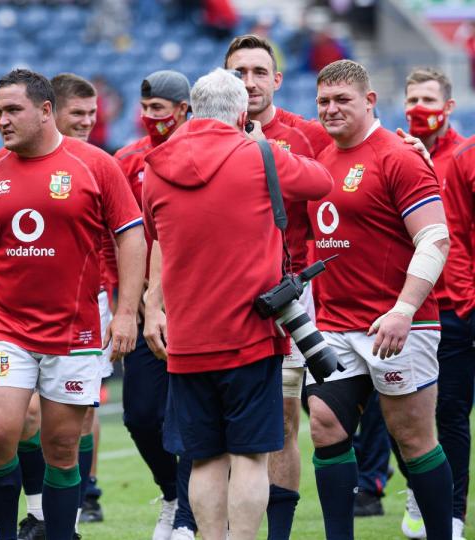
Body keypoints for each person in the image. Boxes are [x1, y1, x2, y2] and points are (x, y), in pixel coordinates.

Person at [141, 68, 332, 540]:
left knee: (204, 458)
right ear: (241, 113)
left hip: (187, 341)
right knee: (250, 456)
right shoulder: (260, 153)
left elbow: (155, 233)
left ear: (193, 111)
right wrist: (264, 142)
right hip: (250, 336)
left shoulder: (155, 167)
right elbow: (323, 182)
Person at [0, 68, 146, 540]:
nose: (3, 120)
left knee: (62, 446)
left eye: (13, 110)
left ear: (45, 111)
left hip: (75, 330)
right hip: (8, 329)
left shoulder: (94, 165)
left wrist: (125, 311)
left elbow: (131, 236)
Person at [305, 59, 454, 540]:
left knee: (412, 438)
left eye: (342, 100)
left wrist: (404, 310)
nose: (331, 109)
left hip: (397, 325)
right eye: (324, 101)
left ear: (370, 101)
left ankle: (439, 532)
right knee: (325, 422)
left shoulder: (398, 155)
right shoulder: (319, 162)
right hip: (335, 324)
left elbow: (435, 239)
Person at [223, 34, 334, 540]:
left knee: (285, 419)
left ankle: (278, 534)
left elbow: (356, 157)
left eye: (259, 72)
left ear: (277, 80)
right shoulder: (203, 135)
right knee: (225, 426)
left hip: (285, 297)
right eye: (239, 73)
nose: (249, 83)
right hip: (219, 298)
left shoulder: (307, 135)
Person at [114, 69, 197, 540]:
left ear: (183, 109)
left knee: (190, 416)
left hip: (199, 307)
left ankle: (189, 513)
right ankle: (172, 493)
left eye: (159, 110)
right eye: (144, 109)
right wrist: (125, 301)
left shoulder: (208, 155)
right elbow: (117, 238)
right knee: (140, 415)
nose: (149, 118)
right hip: (148, 311)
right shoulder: (128, 160)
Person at [394, 66, 469, 540]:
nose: (419, 109)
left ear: (448, 106)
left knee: (451, 413)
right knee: (403, 414)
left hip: (458, 306)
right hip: (413, 308)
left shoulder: (467, 155)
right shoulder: (399, 156)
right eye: (412, 100)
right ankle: (421, 492)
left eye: (427, 100)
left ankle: (453, 513)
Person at [50, 72, 114, 529]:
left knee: (84, 403)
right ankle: (41, 502)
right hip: (29, 303)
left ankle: (85, 493)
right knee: (29, 413)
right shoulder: (19, 160)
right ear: (50, 111)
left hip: (91, 300)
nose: (88, 122)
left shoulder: (100, 163)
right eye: (78, 113)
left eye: (92, 114)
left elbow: (125, 235)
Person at [442, 91, 475, 540]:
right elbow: (456, 236)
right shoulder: (464, 157)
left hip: (462, 303)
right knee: (449, 413)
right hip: (454, 310)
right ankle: (450, 511)